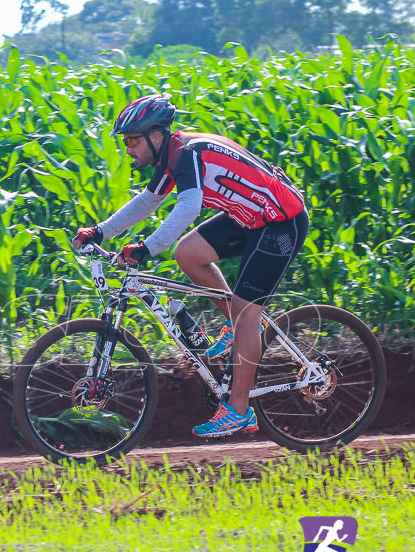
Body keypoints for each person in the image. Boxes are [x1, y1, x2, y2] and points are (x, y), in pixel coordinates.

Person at [72, 94, 309, 439]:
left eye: (132, 141)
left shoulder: (186, 156)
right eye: (125, 142)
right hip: (249, 219)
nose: (127, 149)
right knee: (189, 253)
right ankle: (239, 329)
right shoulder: (174, 154)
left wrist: (146, 248)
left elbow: (188, 206)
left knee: (246, 314)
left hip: (279, 223)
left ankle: (239, 410)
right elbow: (148, 201)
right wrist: (101, 231)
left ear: (155, 136)